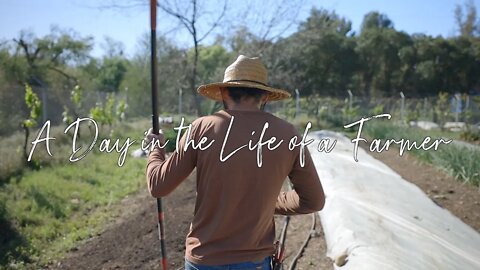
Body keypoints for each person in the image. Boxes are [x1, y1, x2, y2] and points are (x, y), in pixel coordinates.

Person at [145, 55, 325, 270]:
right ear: (265, 97)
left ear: (223, 92)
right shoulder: (288, 134)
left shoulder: (202, 128)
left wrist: (156, 149)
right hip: (255, 262)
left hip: (204, 261)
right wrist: (265, 203)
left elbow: (158, 185)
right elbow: (313, 201)